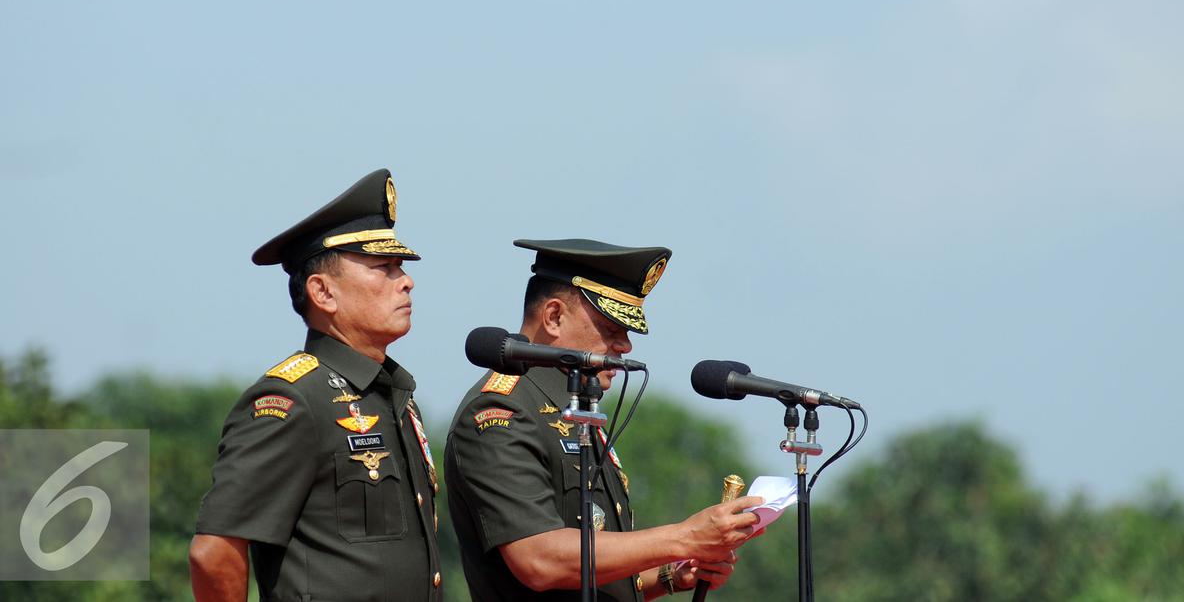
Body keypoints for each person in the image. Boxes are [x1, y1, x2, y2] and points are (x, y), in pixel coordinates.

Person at [445, 239, 762, 601]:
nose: (625, 347)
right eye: (611, 328)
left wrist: (671, 572)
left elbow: (593, 567)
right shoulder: (502, 412)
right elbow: (539, 559)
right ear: (553, 317)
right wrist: (684, 536)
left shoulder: (573, 410)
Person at [189, 168, 444, 602]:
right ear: (323, 293)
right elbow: (213, 552)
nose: (406, 280)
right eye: (384, 267)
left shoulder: (391, 393)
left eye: (400, 265)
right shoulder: (292, 399)